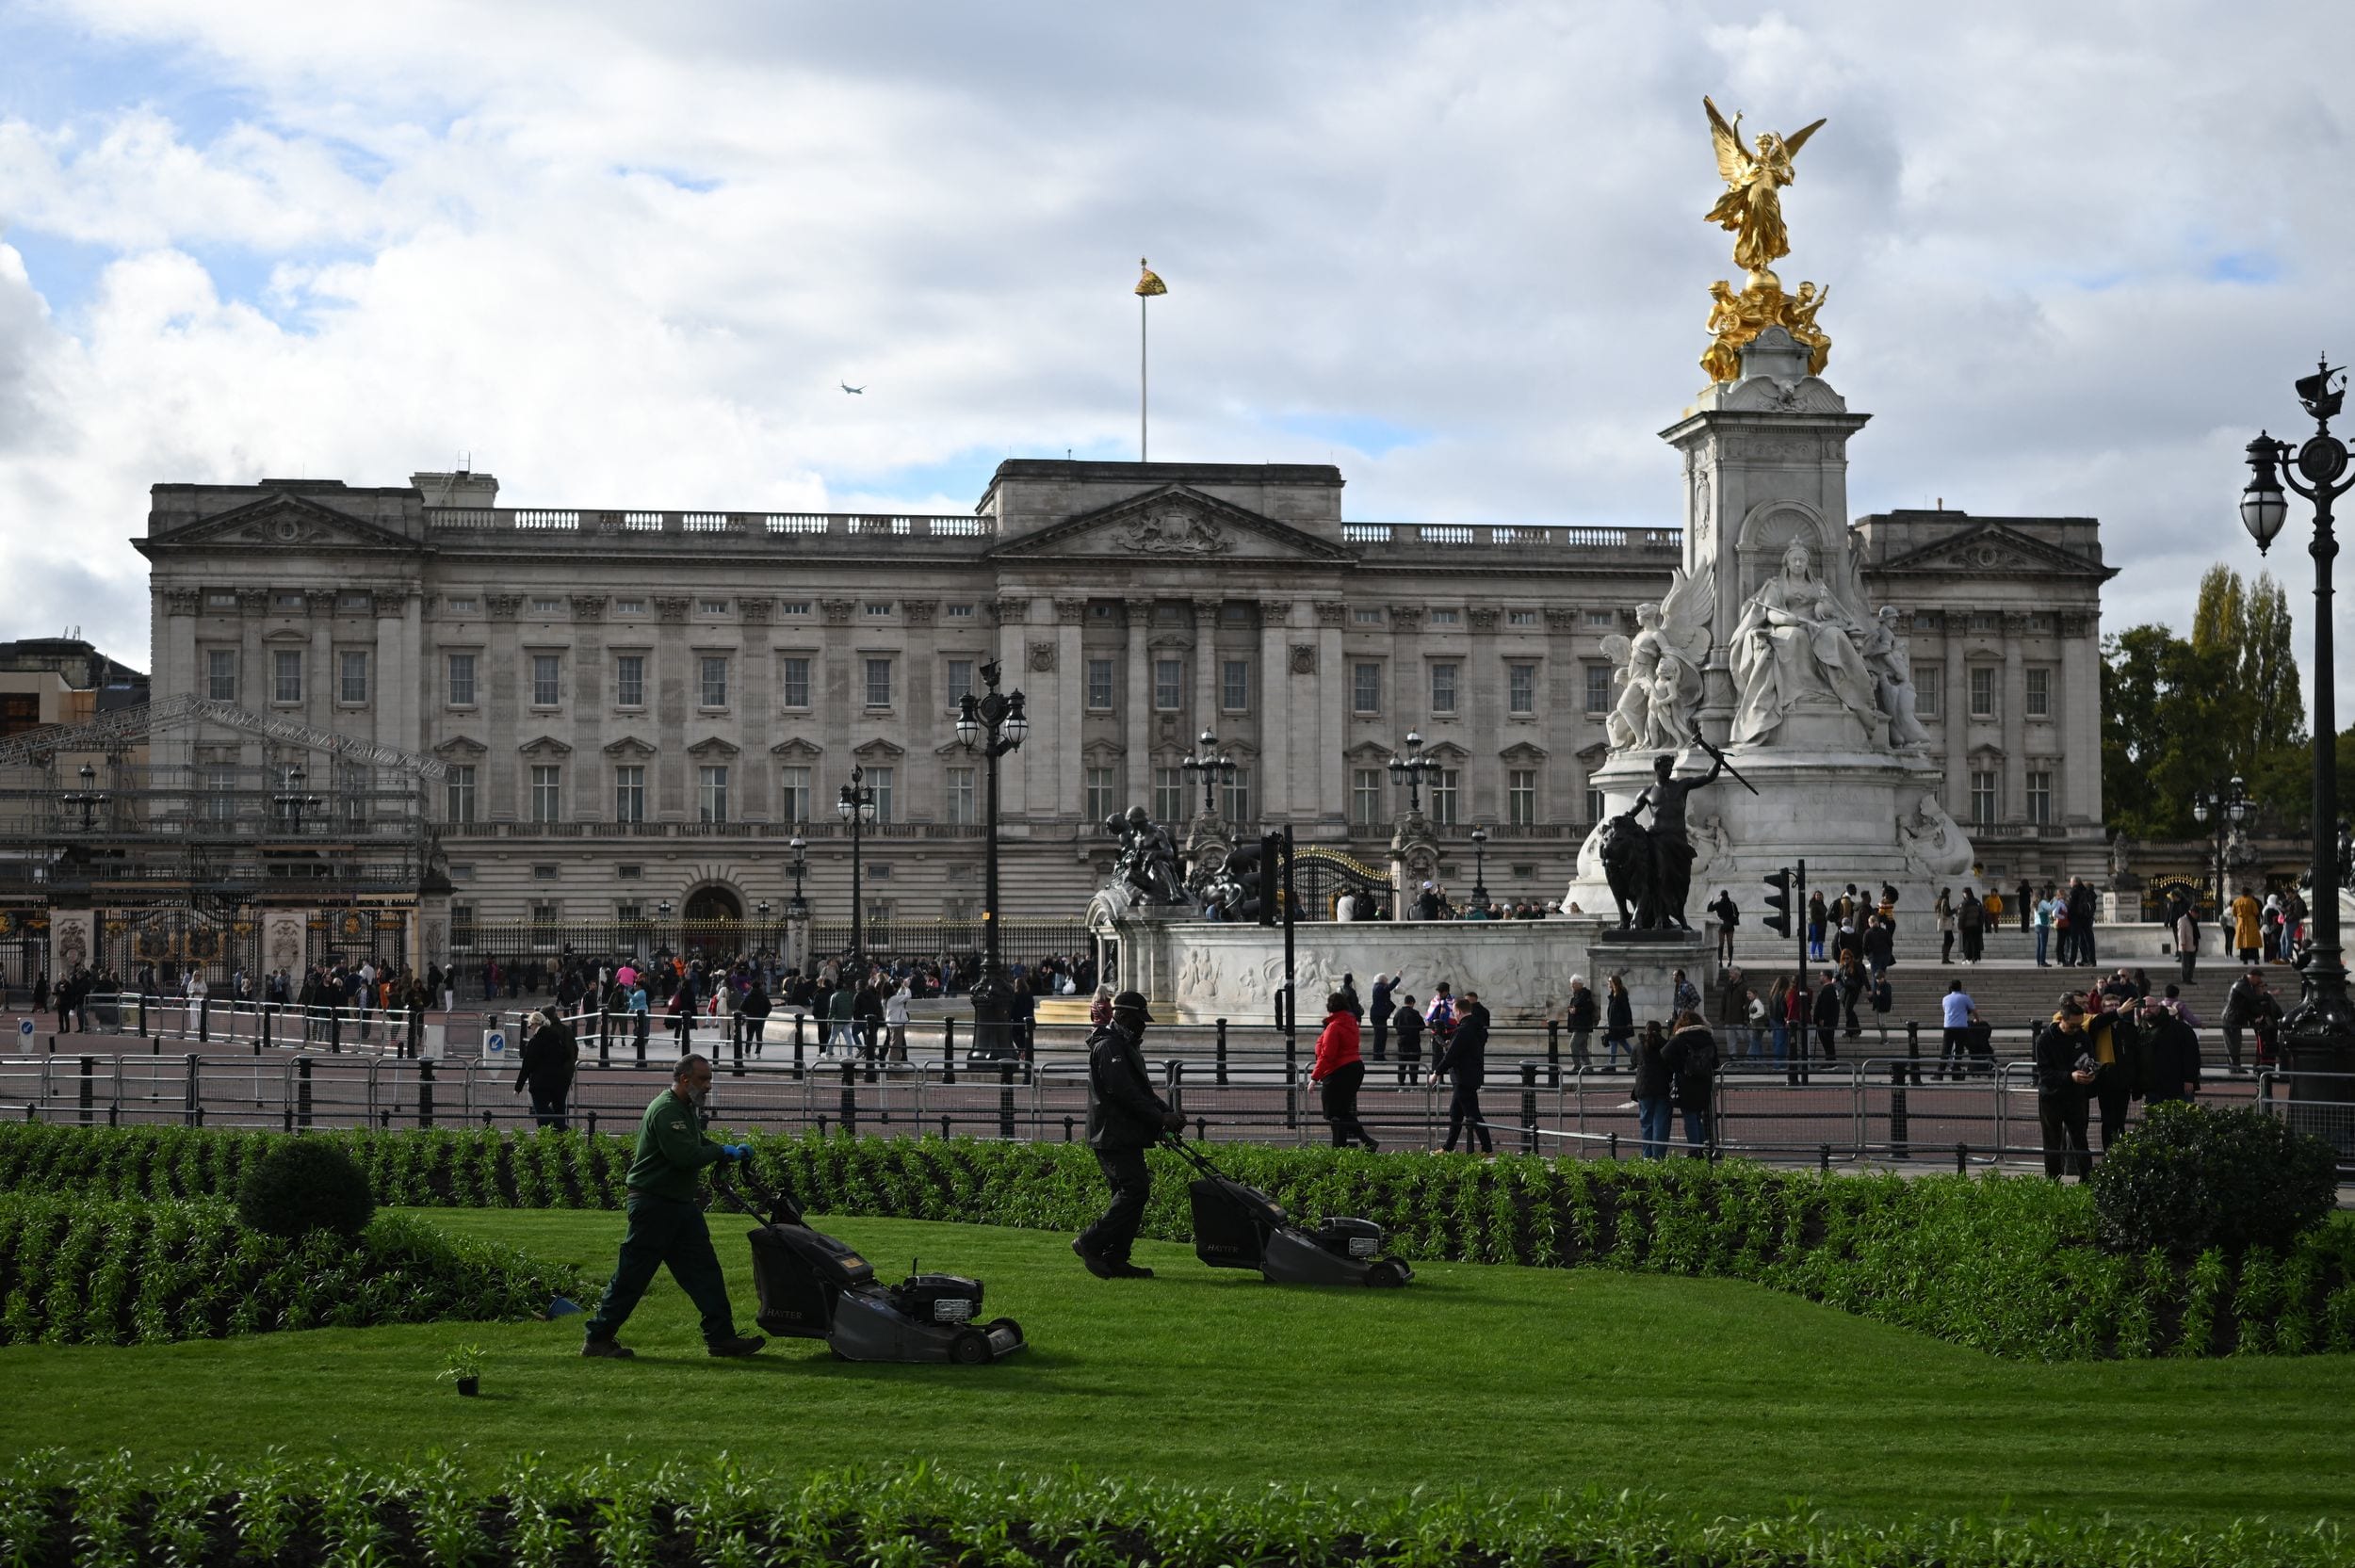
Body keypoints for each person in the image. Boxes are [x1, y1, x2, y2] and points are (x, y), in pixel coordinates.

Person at [580, 1054, 763, 1359]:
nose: (708, 1085)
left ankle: (721, 1338)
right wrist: (722, 1151)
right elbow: (686, 1156)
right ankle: (597, 1339)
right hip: (654, 1206)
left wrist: (725, 1154)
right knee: (631, 1276)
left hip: (677, 1205)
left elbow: (697, 1143)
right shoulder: (666, 1111)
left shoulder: (685, 1108)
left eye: (709, 1078)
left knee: (706, 1272)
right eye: (703, 1079)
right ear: (684, 1080)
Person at [1074, 991, 1184, 1279]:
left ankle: (1116, 1257)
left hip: (1123, 1132)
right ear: (1122, 1016)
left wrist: (1165, 1113)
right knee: (1135, 1190)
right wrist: (1160, 1117)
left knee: (1129, 1193)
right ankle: (1090, 1242)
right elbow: (1124, 1092)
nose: (1143, 1025)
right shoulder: (1109, 1047)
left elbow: (1141, 1092)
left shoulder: (1124, 1045)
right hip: (1111, 1132)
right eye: (1138, 1019)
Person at [2031, 1002, 2096, 1181]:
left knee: (2080, 1138)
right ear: (2062, 1020)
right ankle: (2053, 1180)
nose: (2076, 1029)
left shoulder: (2082, 1036)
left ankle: (2087, 1178)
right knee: (2052, 1140)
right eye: (2072, 1025)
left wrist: (2091, 1073)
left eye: (2079, 1025)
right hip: (2051, 1096)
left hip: (2075, 1095)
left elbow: (2090, 1058)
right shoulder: (2044, 1040)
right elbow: (2044, 1073)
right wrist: (2070, 1076)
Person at [1310, 991, 1377, 1151]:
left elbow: (1328, 1055)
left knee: (1334, 1113)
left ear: (1330, 1008)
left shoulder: (1334, 1027)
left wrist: (1314, 1077)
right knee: (1341, 1112)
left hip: (1338, 1071)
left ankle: (1358, 1143)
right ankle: (1344, 1146)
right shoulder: (1350, 1022)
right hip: (1354, 1068)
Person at [1433, 989, 1493, 1154]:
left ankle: (1487, 1149)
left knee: (1473, 1115)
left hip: (1463, 1077)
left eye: (1454, 1013)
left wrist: (1436, 1072)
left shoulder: (1464, 1029)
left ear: (1458, 1011)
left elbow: (1452, 1055)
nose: (1454, 1016)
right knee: (1456, 1113)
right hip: (1469, 1075)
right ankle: (1448, 1147)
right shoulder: (1476, 1027)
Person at [515, 1006, 578, 1129]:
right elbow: (569, 1053)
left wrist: (518, 1087)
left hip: (542, 1081)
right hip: (562, 1078)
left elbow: (527, 1065)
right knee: (560, 1109)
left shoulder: (537, 1039)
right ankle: (563, 1139)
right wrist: (567, 1073)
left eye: (530, 1026)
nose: (530, 1029)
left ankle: (561, 1130)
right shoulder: (563, 1032)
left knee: (542, 1112)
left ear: (535, 1024)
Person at [2136, 996, 2202, 1105]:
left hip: (2178, 1086)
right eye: (2143, 1007)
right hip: (2153, 1088)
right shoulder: (2141, 1030)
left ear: (2158, 1007)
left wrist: (2190, 1079)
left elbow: (2192, 1054)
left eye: (2150, 1006)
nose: (2147, 1009)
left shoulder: (2180, 1028)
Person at [2219, 967, 2277, 1075]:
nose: (2259, 981)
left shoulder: (2246, 985)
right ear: (2253, 976)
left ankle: (2235, 1067)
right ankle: (2234, 1068)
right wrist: (2268, 995)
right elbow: (2252, 998)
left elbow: (2246, 1006)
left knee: (2235, 1044)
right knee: (2233, 1045)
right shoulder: (2241, 985)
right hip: (2231, 1019)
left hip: (2235, 1019)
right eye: (2258, 978)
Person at [1633, 1020, 1673, 1158]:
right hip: (1662, 1087)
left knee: (1646, 1123)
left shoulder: (1639, 1046)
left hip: (1644, 1087)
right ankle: (1659, 1156)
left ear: (1646, 1030)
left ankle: (1647, 1155)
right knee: (1661, 1122)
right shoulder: (1666, 1045)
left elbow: (1633, 1061)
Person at [1940, 979, 1980, 1081]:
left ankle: (1939, 1073)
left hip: (1948, 1026)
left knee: (1946, 1050)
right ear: (1960, 987)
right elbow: (1974, 1011)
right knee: (1958, 1050)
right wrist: (1976, 1019)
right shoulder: (1965, 998)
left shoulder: (1945, 998)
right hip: (1961, 1027)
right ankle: (1956, 1071)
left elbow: (1946, 1010)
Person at [1565, 975, 1598, 1071]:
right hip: (1577, 1025)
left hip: (1582, 1025)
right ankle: (1588, 1067)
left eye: (1574, 984)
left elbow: (1589, 1008)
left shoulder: (1585, 994)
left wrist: (1577, 1010)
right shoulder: (1577, 995)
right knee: (1582, 1047)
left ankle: (1577, 1065)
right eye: (1571, 984)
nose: (1572, 986)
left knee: (1573, 1044)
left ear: (1579, 984)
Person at [1391, 993, 1423, 1086]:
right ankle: (1413, 1084)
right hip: (1414, 1041)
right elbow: (1422, 1027)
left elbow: (1394, 1024)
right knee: (1414, 1064)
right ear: (1412, 1003)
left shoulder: (1398, 1013)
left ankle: (1401, 1084)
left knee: (1402, 1064)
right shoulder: (1415, 1013)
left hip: (1402, 1041)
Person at [1604, 974, 1634, 1071]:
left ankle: (1611, 1065)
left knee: (1613, 1043)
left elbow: (1626, 1009)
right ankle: (1637, 1060)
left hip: (1618, 1024)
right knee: (1623, 1043)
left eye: (1609, 981)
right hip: (1614, 1024)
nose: (1608, 983)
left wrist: (1629, 1022)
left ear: (1614, 982)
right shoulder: (1613, 994)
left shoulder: (1621, 994)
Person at [1811, 971, 1840, 1065]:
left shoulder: (1828, 989)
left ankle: (1831, 1061)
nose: (1820, 977)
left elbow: (1826, 1006)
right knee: (1827, 1042)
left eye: (1821, 976)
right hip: (1828, 1021)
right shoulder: (1829, 989)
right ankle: (1829, 1060)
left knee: (1827, 1041)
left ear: (1826, 977)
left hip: (1826, 1022)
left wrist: (1823, 1018)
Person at [2230, 887, 2263, 965]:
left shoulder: (2236, 901)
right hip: (2251, 922)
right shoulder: (2251, 901)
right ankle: (2255, 959)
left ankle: (2244, 959)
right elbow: (2256, 912)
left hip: (2241, 922)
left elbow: (2234, 913)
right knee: (2253, 941)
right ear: (2249, 893)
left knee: (2243, 941)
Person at [882, 978, 911, 1064]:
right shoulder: (894, 999)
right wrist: (906, 987)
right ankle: (894, 1062)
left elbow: (899, 996)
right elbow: (908, 996)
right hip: (897, 1023)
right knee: (896, 1044)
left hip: (891, 1022)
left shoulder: (885, 999)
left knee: (893, 1041)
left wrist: (902, 988)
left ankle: (894, 1060)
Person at [1369, 973, 1395, 1064]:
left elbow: (1386, 999)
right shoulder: (1379, 987)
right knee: (1380, 1036)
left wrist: (1391, 1008)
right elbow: (1389, 988)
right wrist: (1398, 977)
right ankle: (1378, 1056)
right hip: (1378, 1016)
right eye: (1386, 979)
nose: (1387, 981)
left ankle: (1380, 1055)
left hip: (1379, 1016)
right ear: (1382, 980)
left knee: (1382, 1036)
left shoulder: (1379, 988)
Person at [1708, 889, 1739, 964]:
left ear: (1721, 896)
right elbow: (1737, 913)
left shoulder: (1718, 904)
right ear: (1727, 895)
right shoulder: (1732, 904)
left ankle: (1720, 961)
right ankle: (1730, 961)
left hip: (1721, 925)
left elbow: (1709, 909)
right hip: (1730, 925)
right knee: (1730, 944)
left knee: (1721, 944)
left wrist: (1711, 900)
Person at [2173, 903, 2201, 985]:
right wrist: (2182, 944)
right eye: (2196, 913)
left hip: (2193, 944)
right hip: (2186, 945)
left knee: (2192, 963)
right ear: (2192, 912)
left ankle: (2189, 978)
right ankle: (2185, 978)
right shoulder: (2183, 920)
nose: (2197, 915)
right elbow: (2181, 933)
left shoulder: (2193, 920)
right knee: (2186, 963)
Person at [1957, 888, 1985, 965]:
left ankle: (1968, 958)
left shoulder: (1965, 903)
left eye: (1964, 893)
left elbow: (1962, 916)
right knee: (1976, 942)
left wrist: (1960, 926)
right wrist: (1980, 924)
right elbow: (1982, 914)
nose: (1963, 895)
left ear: (1966, 894)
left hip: (1967, 927)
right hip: (1976, 926)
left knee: (1967, 943)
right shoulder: (1977, 902)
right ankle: (1976, 958)